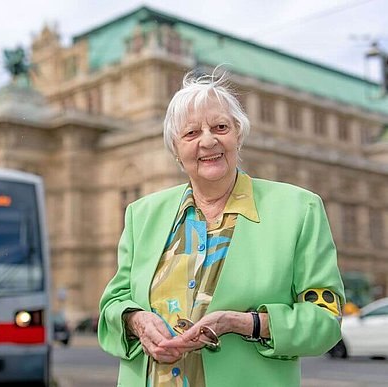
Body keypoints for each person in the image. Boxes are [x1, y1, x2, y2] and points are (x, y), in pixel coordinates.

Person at [98, 69, 344, 387]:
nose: (208, 140)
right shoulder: (142, 214)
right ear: (175, 148)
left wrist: (243, 324)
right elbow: (112, 304)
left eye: (220, 127)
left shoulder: (298, 210)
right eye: (191, 133)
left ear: (238, 134)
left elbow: (325, 320)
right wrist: (136, 320)